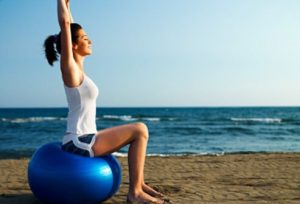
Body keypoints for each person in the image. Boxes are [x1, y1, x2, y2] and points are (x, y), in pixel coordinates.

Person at [43, 1, 170, 203]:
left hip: (86, 138)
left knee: (139, 131)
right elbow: (66, 25)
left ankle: (140, 184)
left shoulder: (79, 69)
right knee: (140, 130)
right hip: (78, 142)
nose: (91, 41)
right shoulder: (71, 71)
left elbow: (71, 25)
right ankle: (134, 193)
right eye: (85, 38)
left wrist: (67, 3)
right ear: (73, 45)